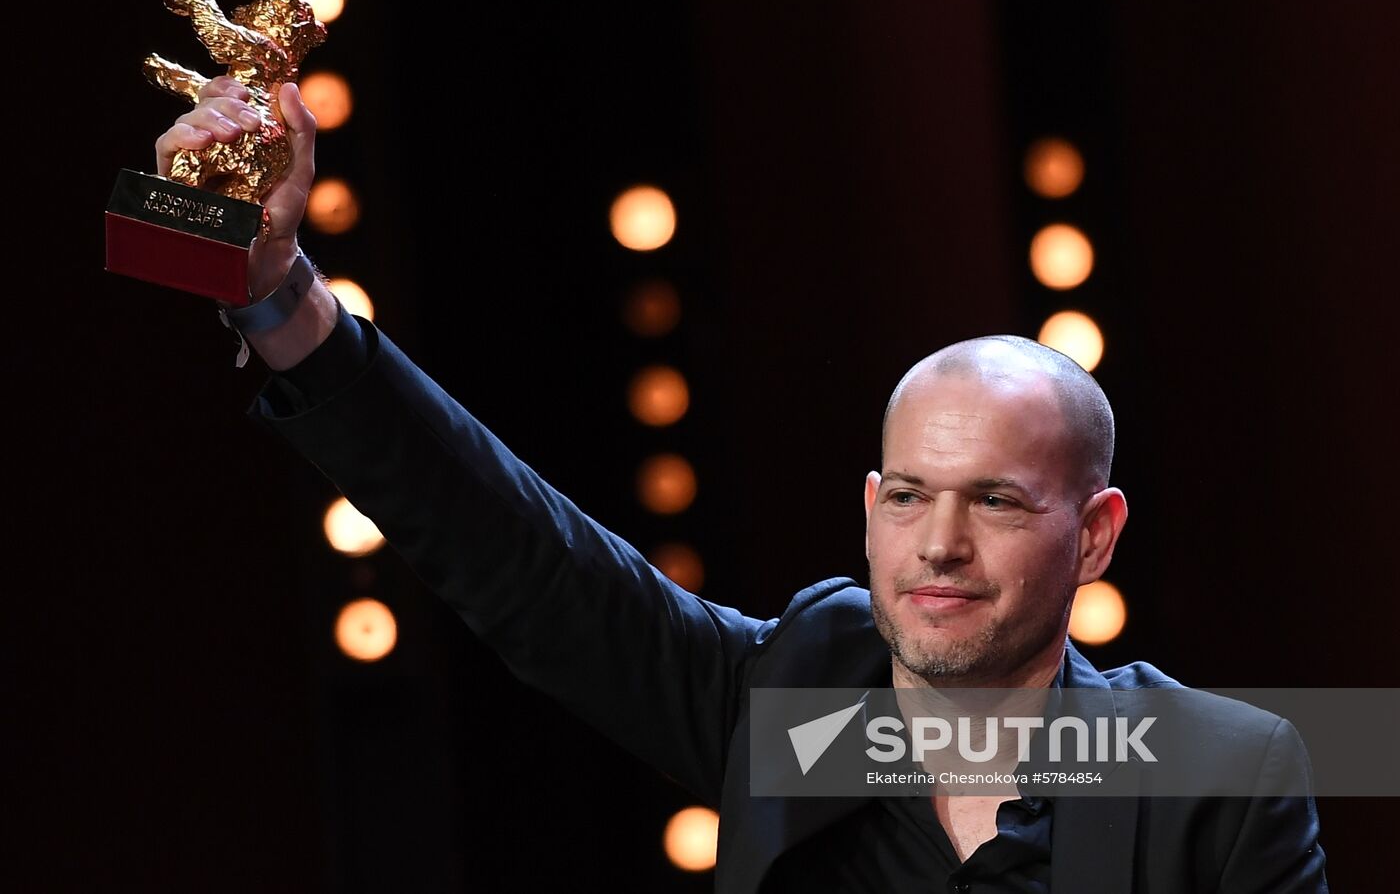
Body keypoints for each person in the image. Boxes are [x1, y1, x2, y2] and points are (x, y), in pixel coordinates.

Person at [154, 77, 1329, 892]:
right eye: (909, 496)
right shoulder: (795, 699)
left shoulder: (1217, 770)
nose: (939, 545)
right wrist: (274, 295)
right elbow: (520, 553)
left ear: (1093, 535)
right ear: (869, 511)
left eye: (999, 501)